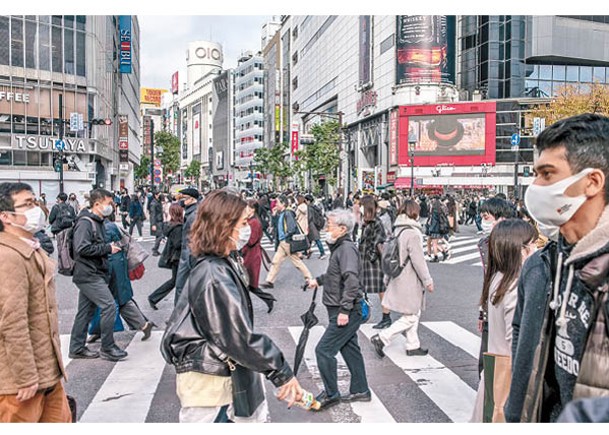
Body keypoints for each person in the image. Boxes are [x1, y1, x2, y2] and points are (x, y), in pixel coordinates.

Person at [162, 190, 303, 422]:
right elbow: (237, 335)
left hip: (217, 374)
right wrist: (282, 373)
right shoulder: (214, 273)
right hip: (211, 381)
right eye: (243, 222)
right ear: (224, 226)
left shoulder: (219, 262)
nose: (247, 228)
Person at [505, 113, 609, 422]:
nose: (534, 187)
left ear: (591, 182)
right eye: (535, 173)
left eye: (547, 174)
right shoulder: (540, 265)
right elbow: (521, 336)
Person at [0, 182, 71, 422]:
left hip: (47, 375)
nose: (35, 209)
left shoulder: (30, 248)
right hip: (20, 384)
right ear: (6, 216)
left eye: (34, 202)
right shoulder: (8, 256)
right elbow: (12, 322)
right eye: (27, 204)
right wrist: (26, 376)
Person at [470, 219, 537, 422]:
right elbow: (514, 340)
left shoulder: (498, 278)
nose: (536, 251)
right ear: (520, 250)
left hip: (495, 372)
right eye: (534, 245)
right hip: (509, 378)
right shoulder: (515, 286)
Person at [307, 208, 370, 410]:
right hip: (341, 308)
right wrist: (318, 280)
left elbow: (352, 280)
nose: (326, 228)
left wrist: (344, 310)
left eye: (330, 225)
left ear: (342, 229)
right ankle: (361, 390)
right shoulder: (340, 248)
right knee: (350, 349)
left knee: (324, 350)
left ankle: (332, 393)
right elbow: (337, 276)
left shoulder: (346, 249)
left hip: (347, 310)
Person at [68, 189, 128, 362]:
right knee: (109, 306)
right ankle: (108, 347)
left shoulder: (98, 221)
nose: (112, 206)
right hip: (88, 273)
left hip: (94, 272)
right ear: (97, 204)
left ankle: (77, 347)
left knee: (85, 312)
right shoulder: (86, 222)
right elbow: (81, 248)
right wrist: (107, 248)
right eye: (109, 203)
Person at [370, 200, 434, 359]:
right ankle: (382, 337)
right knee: (411, 315)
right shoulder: (412, 233)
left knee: (413, 312)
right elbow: (419, 260)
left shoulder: (398, 230)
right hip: (409, 279)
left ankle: (413, 345)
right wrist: (427, 280)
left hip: (397, 276)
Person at [87, 210, 155, 343]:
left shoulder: (105, 227)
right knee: (121, 299)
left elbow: (99, 248)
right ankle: (143, 325)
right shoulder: (109, 225)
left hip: (111, 266)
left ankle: (99, 331)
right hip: (116, 265)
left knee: (113, 300)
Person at [475, 197, 516, 376]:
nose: (483, 222)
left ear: (501, 218)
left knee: (503, 360)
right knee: (486, 362)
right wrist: (482, 311)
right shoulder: (486, 243)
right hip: (491, 306)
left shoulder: (514, 243)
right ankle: (488, 398)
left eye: (486, 217)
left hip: (509, 306)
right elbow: (487, 278)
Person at [260, 195, 313, 289]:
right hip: (282, 242)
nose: (276, 204)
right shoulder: (282, 213)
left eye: (278, 202)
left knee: (297, 262)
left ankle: (309, 278)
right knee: (276, 261)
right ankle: (269, 281)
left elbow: (291, 228)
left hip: (287, 241)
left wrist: (286, 236)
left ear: (283, 204)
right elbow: (277, 226)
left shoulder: (288, 213)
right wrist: (274, 214)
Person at [359, 195, 389, 329]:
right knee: (360, 286)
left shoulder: (376, 222)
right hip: (366, 261)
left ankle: (386, 317)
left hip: (374, 263)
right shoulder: (367, 222)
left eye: (362, 205)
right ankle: (358, 313)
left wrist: (370, 256)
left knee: (381, 290)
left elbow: (378, 242)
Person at [241, 200, 276, 313]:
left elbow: (251, 241)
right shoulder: (252, 221)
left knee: (247, 282)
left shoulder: (254, 223)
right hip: (251, 253)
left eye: (247, 208)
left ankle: (245, 307)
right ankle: (267, 299)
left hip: (251, 255)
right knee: (248, 283)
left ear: (252, 209)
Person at [148, 203, 184, 310]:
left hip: (173, 257)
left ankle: (154, 297)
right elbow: (178, 244)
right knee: (177, 281)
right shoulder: (178, 227)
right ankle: (154, 297)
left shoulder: (170, 225)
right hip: (177, 257)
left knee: (175, 281)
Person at [173, 187, 201, 305]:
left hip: (189, 253)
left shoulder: (194, 214)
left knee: (181, 285)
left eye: (183, 198)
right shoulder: (191, 212)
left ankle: (178, 314)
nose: (181, 201)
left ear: (191, 199)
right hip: (188, 252)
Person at [425, 197, 450, 262]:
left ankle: (437, 257)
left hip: (435, 229)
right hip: (439, 228)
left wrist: (430, 229)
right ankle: (442, 253)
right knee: (432, 242)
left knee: (434, 244)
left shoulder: (434, 212)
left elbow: (433, 222)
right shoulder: (440, 210)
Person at [305, 194, 327, 260]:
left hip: (312, 225)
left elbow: (309, 217)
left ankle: (322, 253)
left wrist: (306, 223)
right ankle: (307, 252)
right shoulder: (315, 206)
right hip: (316, 225)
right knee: (309, 240)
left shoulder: (309, 208)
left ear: (307, 200)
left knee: (316, 240)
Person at [149, 191, 164, 256]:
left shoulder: (158, 202)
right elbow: (153, 214)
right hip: (157, 221)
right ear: (156, 195)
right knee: (161, 235)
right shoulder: (153, 203)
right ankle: (155, 249)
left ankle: (156, 250)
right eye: (159, 195)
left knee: (158, 236)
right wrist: (153, 224)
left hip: (159, 221)